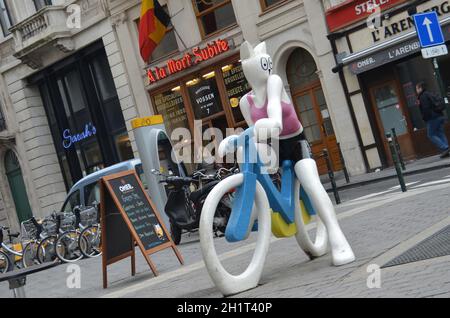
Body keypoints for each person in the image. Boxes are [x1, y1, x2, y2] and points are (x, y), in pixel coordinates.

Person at [416, 82, 450, 158]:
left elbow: (426, 109)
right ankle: (446, 150)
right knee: (440, 133)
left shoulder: (423, 96)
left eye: (417, 89)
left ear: (420, 88)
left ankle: (445, 147)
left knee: (430, 135)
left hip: (432, 118)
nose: (416, 91)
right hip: (440, 116)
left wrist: (425, 118)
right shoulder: (429, 93)